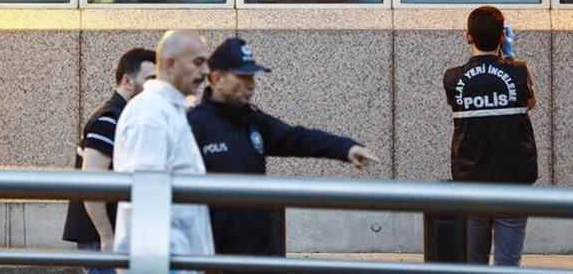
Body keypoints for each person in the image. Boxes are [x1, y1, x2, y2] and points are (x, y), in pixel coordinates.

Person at [188, 37, 378, 260]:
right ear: (217, 78)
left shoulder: (253, 121)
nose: (251, 84)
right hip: (211, 257)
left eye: (253, 76)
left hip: (257, 254)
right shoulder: (194, 126)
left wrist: (346, 148)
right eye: (243, 76)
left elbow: (297, 138)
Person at [443, 6, 538, 266]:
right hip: (513, 178)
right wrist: (510, 55)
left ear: (468, 37)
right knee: (508, 262)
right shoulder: (519, 71)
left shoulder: (453, 78)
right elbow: (530, 103)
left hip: (471, 179)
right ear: (502, 37)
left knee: (473, 260)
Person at [112, 30, 214, 273]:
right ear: (170, 64)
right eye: (198, 62)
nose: (205, 71)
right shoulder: (151, 113)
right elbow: (144, 202)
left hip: (173, 261)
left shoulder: (167, 110)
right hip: (161, 264)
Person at [62, 48, 156, 274]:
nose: (155, 87)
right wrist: (107, 238)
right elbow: (90, 185)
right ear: (127, 81)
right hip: (102, 242)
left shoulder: (124, 117)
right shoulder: (109, 120)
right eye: (150, 79)